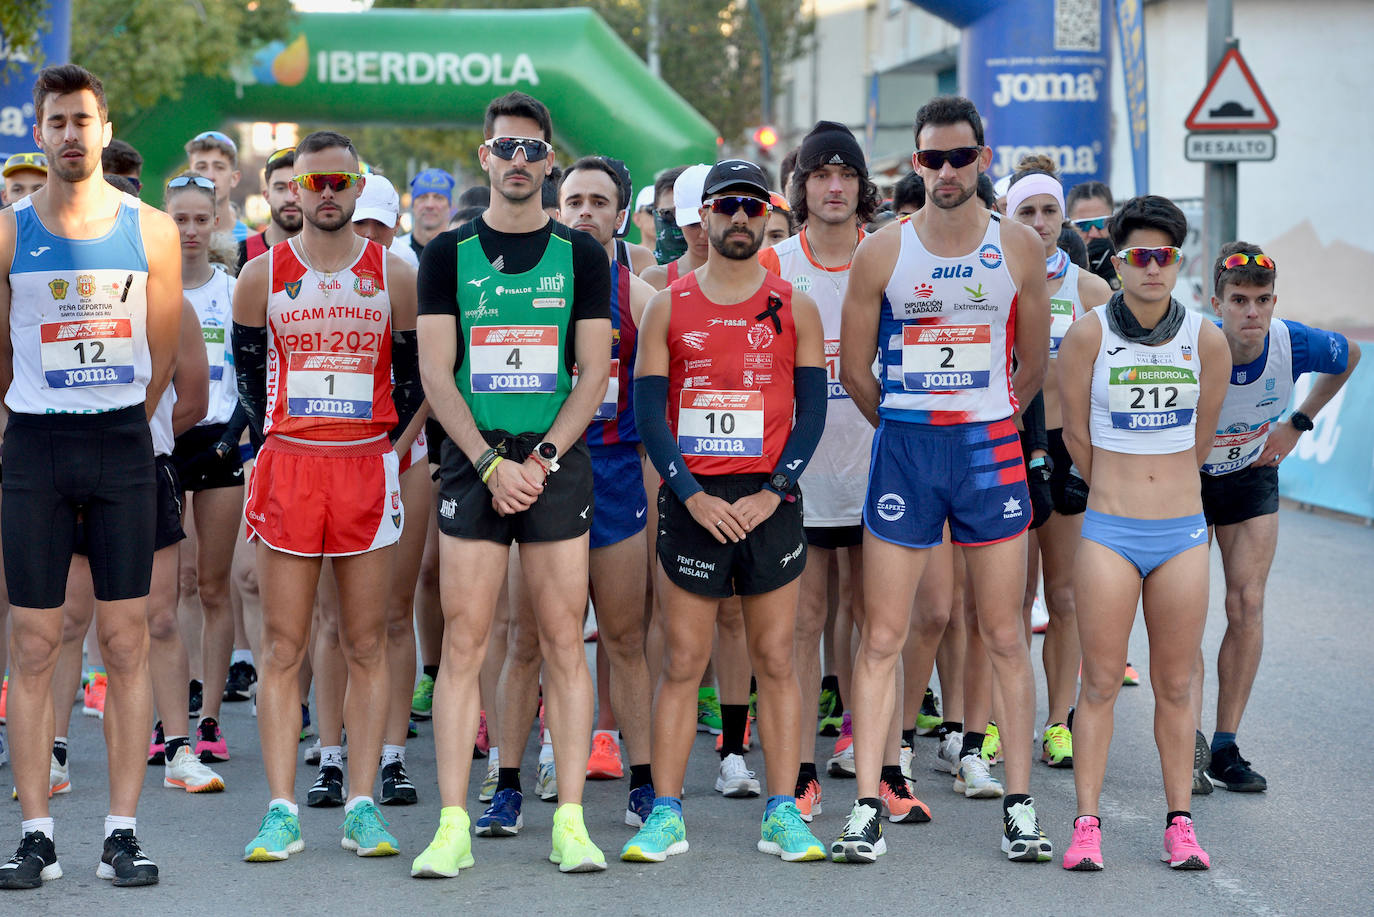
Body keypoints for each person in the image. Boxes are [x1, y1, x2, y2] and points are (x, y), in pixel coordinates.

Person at [835, 95, 1051, 864]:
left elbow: (1033, 365)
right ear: (915, 163)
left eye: (961, 157)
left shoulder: (1018, 247)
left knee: (1001, 631)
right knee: (883, 634)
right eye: (933, 159)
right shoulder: (883, 252)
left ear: (983, 159)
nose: (948, 171)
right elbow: (856, 370)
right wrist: (904, 419)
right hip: (907, 452)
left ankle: (1020, 805)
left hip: (989, 450)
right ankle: (866, 803)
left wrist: (988, 414)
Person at [411, 91, 611, 877]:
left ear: (549, 160)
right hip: (475, 462)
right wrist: (492, 465)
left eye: (533, 149)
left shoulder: (583, 256)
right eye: (507, 149)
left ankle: (569, 820)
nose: (519, 161)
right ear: (485, 157)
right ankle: (453, 821)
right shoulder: (446, 255)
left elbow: (593, 372)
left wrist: (544, 460)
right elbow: (436, 369)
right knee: (466, 643)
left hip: (552, 464)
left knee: (563, 640)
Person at [0, 63, 181, 889]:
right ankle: (36, 831)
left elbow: (163, 350)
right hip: (35, 445)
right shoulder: (7, 230)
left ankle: (122, 829)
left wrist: (120, 420)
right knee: (34, 643)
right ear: (39, 133)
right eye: (57, 122)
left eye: (84, 120)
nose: (71, 134)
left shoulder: (152, 230)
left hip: (119, 444)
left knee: (125, 639)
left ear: (105, 130)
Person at [622, 157, 828, 863]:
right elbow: (650, 410)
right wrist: (692, 493)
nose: (738, 218)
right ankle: (667, 812)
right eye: (725, 206)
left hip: (770, 499)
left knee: (776, 658)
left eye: (750, 205)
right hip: (694, 501)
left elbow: (811, 412)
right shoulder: (667, 303)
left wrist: (774, 491)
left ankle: (782, 810)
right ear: (702, 218)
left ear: (768, 215)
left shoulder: (793, 303)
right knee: (683, 661)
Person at [233, 129, 422, 863]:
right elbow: (250, 382)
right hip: (292, 467)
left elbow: (413, 386)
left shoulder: (394, 274)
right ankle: (282, 809)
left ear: (358, 184)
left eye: (342, 181)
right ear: (292, 191)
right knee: (284, 644)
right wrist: (273, 447)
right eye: (315, 184)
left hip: (364, 470)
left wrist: (389, 452)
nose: (329, 194)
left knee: (365, 639)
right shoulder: (263, 275)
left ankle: (363, 804)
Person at [757, 120, 930, 826]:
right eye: (821, 174)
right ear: (800, 188)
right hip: (799, 476)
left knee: (878, 625)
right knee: (803, 626)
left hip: (879, 470)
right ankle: (799, 775)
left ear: (864, 188)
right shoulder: (774, 266)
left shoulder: (891, 256)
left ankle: (885, 769)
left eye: (846, 175)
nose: (834, 186)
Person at [1056, 194, 1229, 872]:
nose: (1151, 268)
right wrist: (1119, 490)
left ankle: (1179, 822)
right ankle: (1086, 823)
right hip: (1109, 531)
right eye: (1138, 256)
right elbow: (1074, 432)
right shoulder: (1088, 334)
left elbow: (1202, 437)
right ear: (1119, 261)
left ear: (1178, 263)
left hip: (1182, 532)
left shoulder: (1205, 339)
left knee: (1177, 683)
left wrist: (1168, 491)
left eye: (1163, 256)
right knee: (1098, 680)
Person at [1193, 242, 1359, 793]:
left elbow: (1350, 355)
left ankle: (1225, 746)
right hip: (1186, 482)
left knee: (1248, 604)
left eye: (1262, 300)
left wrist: (1299, 421)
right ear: (1215, 303)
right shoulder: (1190, 342)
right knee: (1185, 614)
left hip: (1250, 473)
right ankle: (1184, 740)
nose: (1252, 313)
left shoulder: (1292, 341)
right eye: (1238, 299)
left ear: (1274, 301)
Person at [556, 155, 658, 825]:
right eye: (574, 200)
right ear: (557, 208)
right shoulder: (522, 286)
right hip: (550, 471)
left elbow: (660, 408)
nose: (586, 210)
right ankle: (535, 765)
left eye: (599, 201)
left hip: (619, 472)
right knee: (545, 635)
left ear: (621, 214)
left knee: (624, 637)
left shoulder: (643, 297)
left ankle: (644, 778)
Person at [1004, 157, 1113, 770]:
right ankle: (999, 721)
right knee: (1009, 601)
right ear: (1007, 216)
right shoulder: (993, 281)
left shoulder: (1091, 291)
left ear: (1063, 216)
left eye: (1049, 211)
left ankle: (1057, 721)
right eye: (1027, 212)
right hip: (1008, 444)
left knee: (1065, 595)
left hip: (1069, 448)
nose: (1041, 223)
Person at [163, 171, 246, 767]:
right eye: (179, 219)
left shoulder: (235, 289)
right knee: (169, 588)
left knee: (214, 586)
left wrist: (242, 440)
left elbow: (253, 377)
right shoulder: (146, 288)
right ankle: (167, 720)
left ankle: (211, 717)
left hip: (218, 441)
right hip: (161, 442)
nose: (190, 230)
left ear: (217, 221)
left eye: (200, 219)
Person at [641, 164, 710, 291]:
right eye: (668, 214)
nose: (702, 232)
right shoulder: (644, 276)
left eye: (702, 219)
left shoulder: (748, 273)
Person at [238, 146, 301, 268]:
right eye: (280, 188)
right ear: (266, 195)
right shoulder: (238, 256)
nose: (290, 198)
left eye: (297, 188)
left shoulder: (328, 256)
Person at [185, 130, 247, 241]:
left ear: (234, 178)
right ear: (189, 176)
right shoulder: (173, 238)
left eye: (219, 167)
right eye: (201, 167)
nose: (210, 176)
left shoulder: (251, 243)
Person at [398, 167, 455, 262]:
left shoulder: (459, 252)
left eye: (438, 198)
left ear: (449, 206)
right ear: (413, 204)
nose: (430, 205)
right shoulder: (396, 252)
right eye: (422, 197)